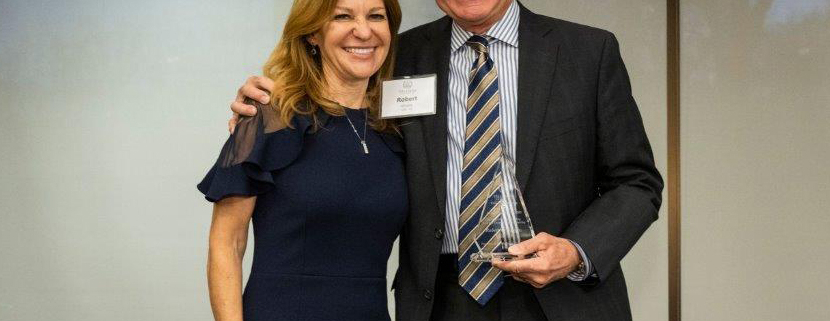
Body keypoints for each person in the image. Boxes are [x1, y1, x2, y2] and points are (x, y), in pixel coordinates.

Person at [230, 0, 663, 320]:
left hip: (563, 300)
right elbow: (334, 107)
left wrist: (574, 250)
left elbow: (636, 182)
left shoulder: (587, 52)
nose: (360, 29)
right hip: (441, 300)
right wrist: (264, 108)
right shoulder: (394, 57)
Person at [197, 0, 406, 320]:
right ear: (312, 33)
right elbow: (227, 242)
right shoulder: (266, 117)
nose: (363, 31)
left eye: (376, 16)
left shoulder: (398, 130)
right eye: (342, 16)